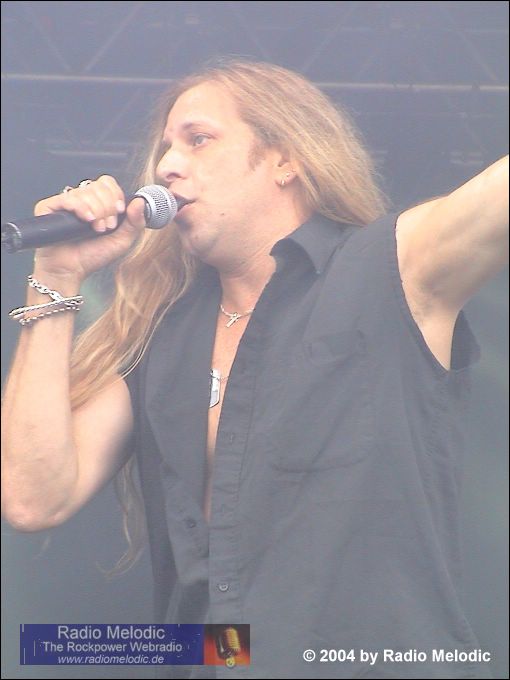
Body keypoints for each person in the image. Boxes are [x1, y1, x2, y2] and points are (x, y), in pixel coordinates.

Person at [1, 59, 508, 679]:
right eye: (164, 150)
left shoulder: (389, 269)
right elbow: (32, 498)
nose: (167, 166)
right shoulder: (160, 336)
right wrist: (56, 275)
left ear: (285, 158)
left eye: (198, 139)